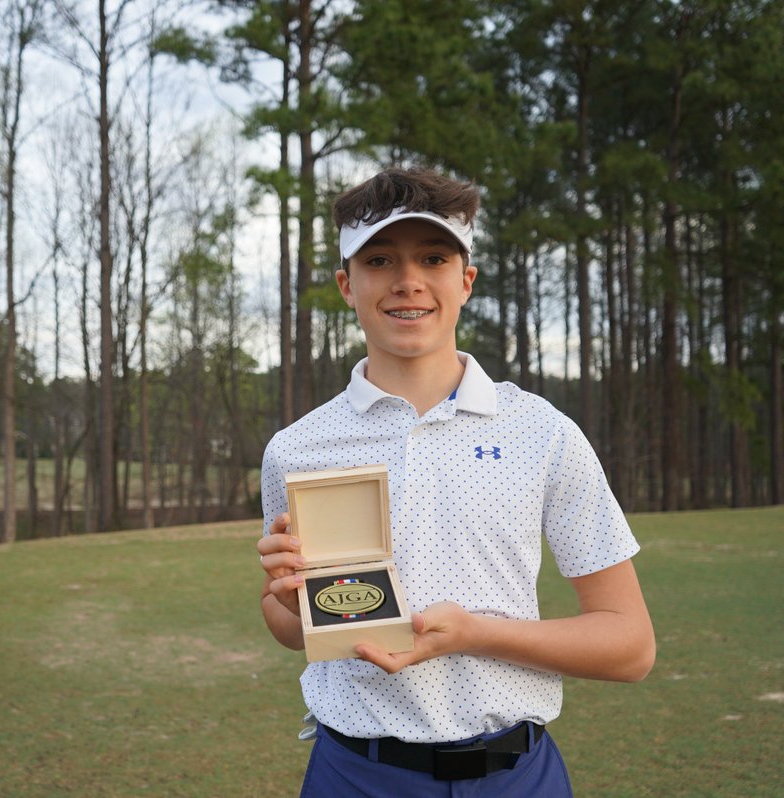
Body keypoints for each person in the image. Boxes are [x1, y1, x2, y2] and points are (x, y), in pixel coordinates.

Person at [257, 167, 655, 797]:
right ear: (346, 285)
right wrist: (284, 601)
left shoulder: (542, 431)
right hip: (355, 775)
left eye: (433, 257)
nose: (408, 281)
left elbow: (630, 645)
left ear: (465, 281)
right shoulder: (297, 448)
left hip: (516, 777)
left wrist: (475, 633)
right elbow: (296, 629)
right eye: (380, 259)